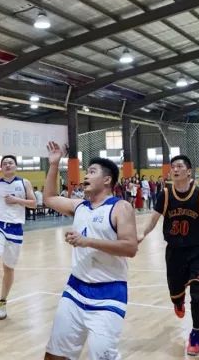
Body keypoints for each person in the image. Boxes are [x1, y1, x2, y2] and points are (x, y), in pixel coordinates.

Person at [42, 142, 138, 360]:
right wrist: (54, 164)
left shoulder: (120, 207)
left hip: (109, 294)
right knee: (55, 356)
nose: (86, 175)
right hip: (75, 289)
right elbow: (49, 198)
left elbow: (130, 247)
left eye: (92, 172)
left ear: (107, 180)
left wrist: (87, 241)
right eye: (86, 172)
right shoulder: (79, 206)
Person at [138, 155, 199, 356]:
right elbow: (153, 219)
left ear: (189, 171)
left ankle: (195, 334)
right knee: (176, 296)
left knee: (197, 293)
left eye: (179, 166)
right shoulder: (165, 195)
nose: (175, 169)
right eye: (172, 167)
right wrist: (142, 234)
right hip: (174, 254)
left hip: (198, 252)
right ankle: (178, 301)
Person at [0, 155, 36, 320]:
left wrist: (16, 200)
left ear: (16, 166)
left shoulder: (24, 183)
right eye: (4, 163)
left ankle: (2, 301)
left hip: (15, 227)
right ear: (1, 167)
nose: (7, 165)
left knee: (8, 268)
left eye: (10, 162)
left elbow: (34, 203)